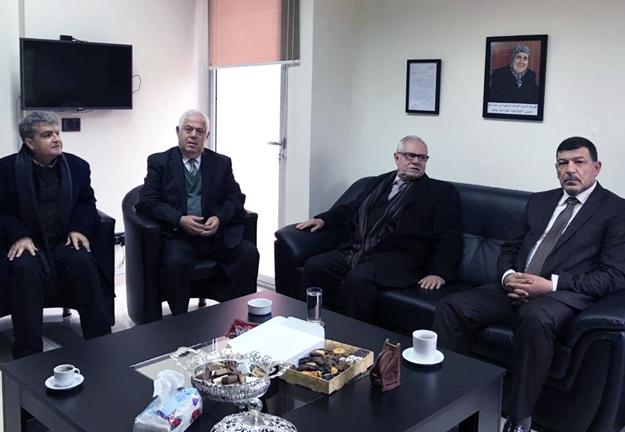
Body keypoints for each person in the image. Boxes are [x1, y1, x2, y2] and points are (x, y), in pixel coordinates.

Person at [433, 137, 625, 432]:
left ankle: (518, 418)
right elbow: (509, 248)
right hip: (513, 287)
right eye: (563, 163)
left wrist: (550, 285)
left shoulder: (615, 210)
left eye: (579, 162)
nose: (570, 169)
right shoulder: (540, 201)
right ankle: (455, 400)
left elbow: (613, 275)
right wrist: (508, 276)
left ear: (596, 167)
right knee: (451, 307)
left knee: (534, 317)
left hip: (561, 296)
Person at [297, 136, 462, 322]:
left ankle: (354, 336)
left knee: (358, 278)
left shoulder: (440, 192)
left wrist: (440, 273)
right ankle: (308, 324)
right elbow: (353, 207)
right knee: (315, 265)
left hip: (399, 259)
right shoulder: (378, 182)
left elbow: (450, 235)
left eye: (422, 158)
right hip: (358, 250)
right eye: (410, 155)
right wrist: (324, 220)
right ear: (397, 157)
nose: (416, 161)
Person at [0, 111, 111, 359]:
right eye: (47, 135)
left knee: (82, 261)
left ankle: (101, 343)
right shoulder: (5, 169)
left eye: (57, 133)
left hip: (62, 241)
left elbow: (86, 203)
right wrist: (19, 235)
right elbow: (2, 211)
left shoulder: (77, 166)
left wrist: (78, 228)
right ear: (29, 143)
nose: (56, 139)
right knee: (24, 269)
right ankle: (28, 355)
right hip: (28, 244)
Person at [136, 109, 259, 315]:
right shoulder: (160, 162)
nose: (193, 135)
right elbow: (146, 202)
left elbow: (236, 197)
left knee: (248, 253)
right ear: (178, 131)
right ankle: (181, 321)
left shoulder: (221, 163)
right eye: (188, 129)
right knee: (175, 262)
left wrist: (219, 218)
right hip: (179, 235)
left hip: (215, 236)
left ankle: (239, 315)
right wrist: (179, 219)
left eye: (199, 131)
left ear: (206, 135)